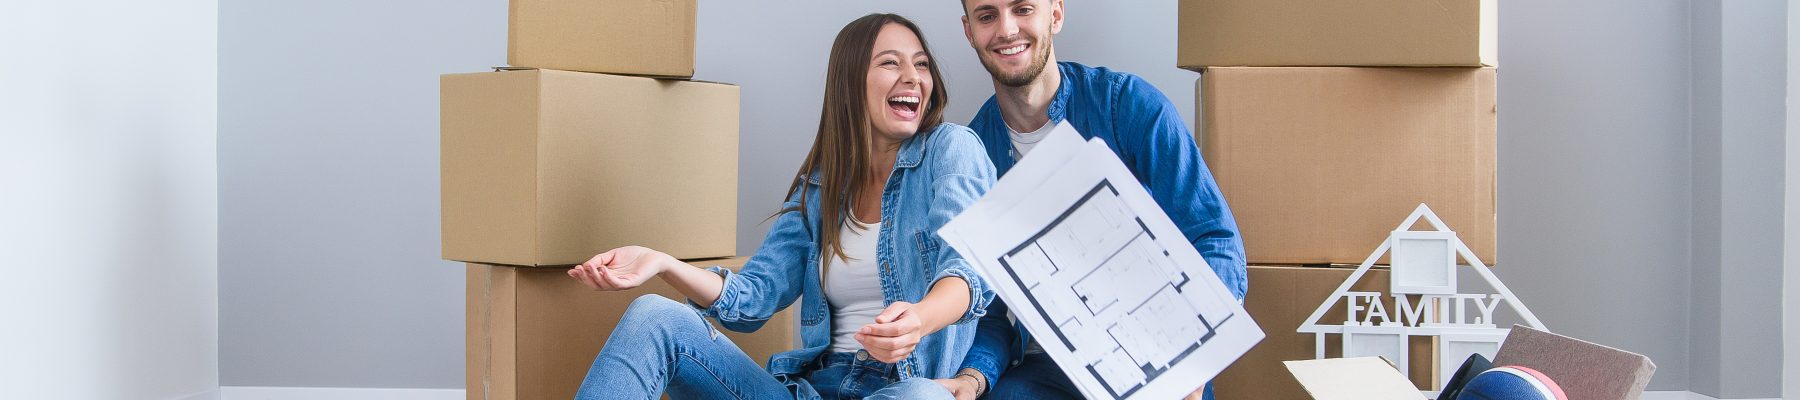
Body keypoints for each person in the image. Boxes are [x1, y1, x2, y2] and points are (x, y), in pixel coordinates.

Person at [566, 13, 997, 400]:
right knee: (654, 316)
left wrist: (919, 320)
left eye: (921, 64)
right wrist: (662, 262)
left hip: (903, 387)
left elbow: (968, 270)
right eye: (890, 63)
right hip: (812, 391)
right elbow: (753, 298)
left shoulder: (952, 150)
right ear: (850, 82)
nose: (913, 77)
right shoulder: (823, 186)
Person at [933, 1, 1249, 399]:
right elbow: (990, 309)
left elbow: (1214, 236)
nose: (1007, 29)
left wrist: (1194, 358)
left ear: (1056, 14)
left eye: (1023, 8)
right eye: (987, 16)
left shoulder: (1128, 106)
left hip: (1155, 354)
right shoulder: (972, 154)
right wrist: (973, 377)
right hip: (1043, 369)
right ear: (969, 31)